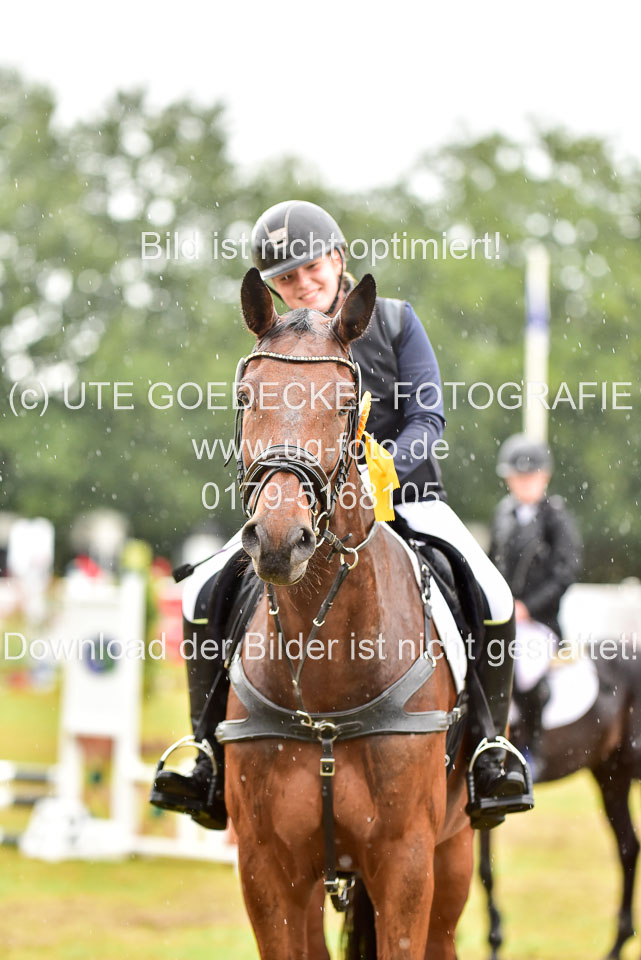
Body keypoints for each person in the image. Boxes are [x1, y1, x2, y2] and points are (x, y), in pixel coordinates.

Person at [150, 200, 532, 830]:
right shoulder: (275, 342)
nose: (303, 284)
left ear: (338, 258)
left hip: (405, 501)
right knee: (201, 593)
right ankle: (206, 753)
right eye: (286, 277)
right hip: (305, 509)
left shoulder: (396, 321)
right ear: (272, 287)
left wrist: (383, 470)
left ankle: (491, 750)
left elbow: (427, 418)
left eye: (311, 268)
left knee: (489, 590)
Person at [490, 434, 582, 776]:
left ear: (544, 476)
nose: (523, 482)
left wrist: (528, 606)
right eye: (517, 476)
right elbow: (492, 563)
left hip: (540, 621)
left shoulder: (555, 517)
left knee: (521, 669)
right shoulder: (503, 514)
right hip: (504, 617)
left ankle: (533, 748)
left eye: (529, 476)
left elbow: (565, 572)